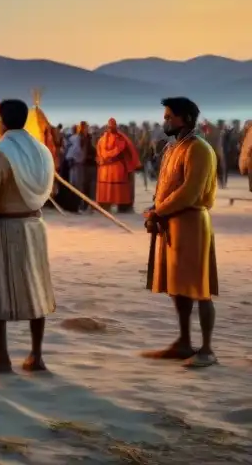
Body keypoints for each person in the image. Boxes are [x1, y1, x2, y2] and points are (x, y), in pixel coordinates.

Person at [0, 99, 56, 373]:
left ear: (1, 119)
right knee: (37, 289)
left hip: (6, 228)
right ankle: (36, 355)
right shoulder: (42, 151)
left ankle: (2, 356)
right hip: (35, 225)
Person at [143, 97, 219, 369]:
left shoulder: (199, 149)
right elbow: (166, 185)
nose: (165, 121)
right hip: (171, 222)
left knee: (200, 287)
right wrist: (156, 208)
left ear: (185, 118)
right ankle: (184, 341)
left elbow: (190, 192)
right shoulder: (174, 148)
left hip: (192, 222)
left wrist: (158, 211)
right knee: (178, 287)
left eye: (169, 117)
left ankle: (207, 349)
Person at [95, 118, 138, 213]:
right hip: (115, 169)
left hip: (107, 169)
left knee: (109, 191)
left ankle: (110, 205)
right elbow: (121, 150)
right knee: (116, 190)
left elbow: (102, 153)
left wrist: (106, 157)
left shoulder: (104, 139)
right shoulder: (120, 139)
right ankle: (120, 206)